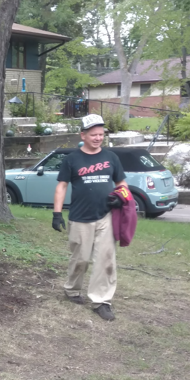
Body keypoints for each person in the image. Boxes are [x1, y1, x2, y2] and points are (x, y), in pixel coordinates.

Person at [52, 114, 128, 321]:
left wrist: (121, 198)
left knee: (105, 259)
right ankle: (72, 289)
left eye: (101, 134)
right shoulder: (72, 159)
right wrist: (57, 213)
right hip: (79, 217)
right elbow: (62, 186)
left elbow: (121, 184)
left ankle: (101, 301)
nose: (97, 138)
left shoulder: (111, 158)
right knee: (81, 259)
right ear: (83, 135)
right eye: (93, 134)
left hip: (106, 216)